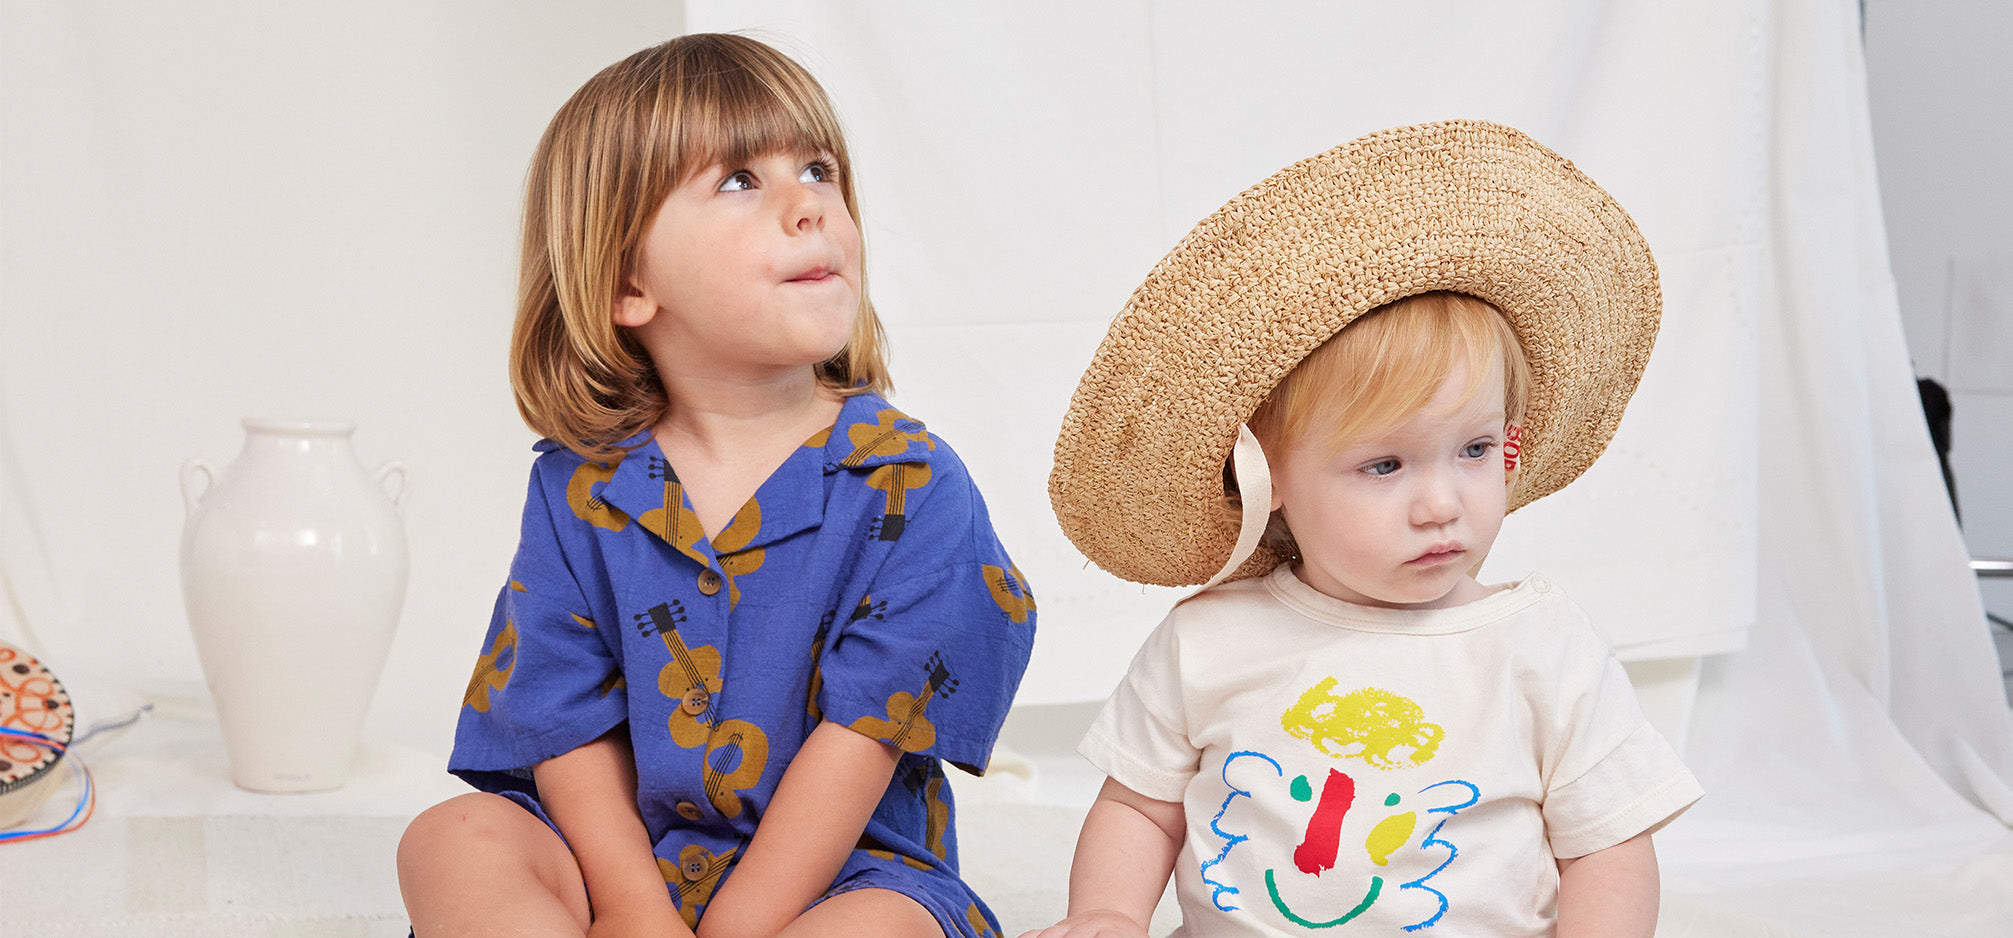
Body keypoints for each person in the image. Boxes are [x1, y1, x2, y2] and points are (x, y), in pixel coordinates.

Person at [396, 33, 1035, 938]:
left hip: (842, 871)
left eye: (819, 170)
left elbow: (863, 737)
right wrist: (632, 910)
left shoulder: (910, 484)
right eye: (741, 180)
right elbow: (559, 720)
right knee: (450, 838)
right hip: (622, 862)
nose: (808, 206)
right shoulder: (583, 486)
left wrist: (734, 929)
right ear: (627, 282)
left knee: (883, 928)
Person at [1032, 120, 1702, 937]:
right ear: (1269, 482)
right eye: (1384, 467)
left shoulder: (1542, 647)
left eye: (1474, 450)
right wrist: (1105, 913)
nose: (1440, 504)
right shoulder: (1208, 640)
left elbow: (1606, 845)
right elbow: (1141, 807)